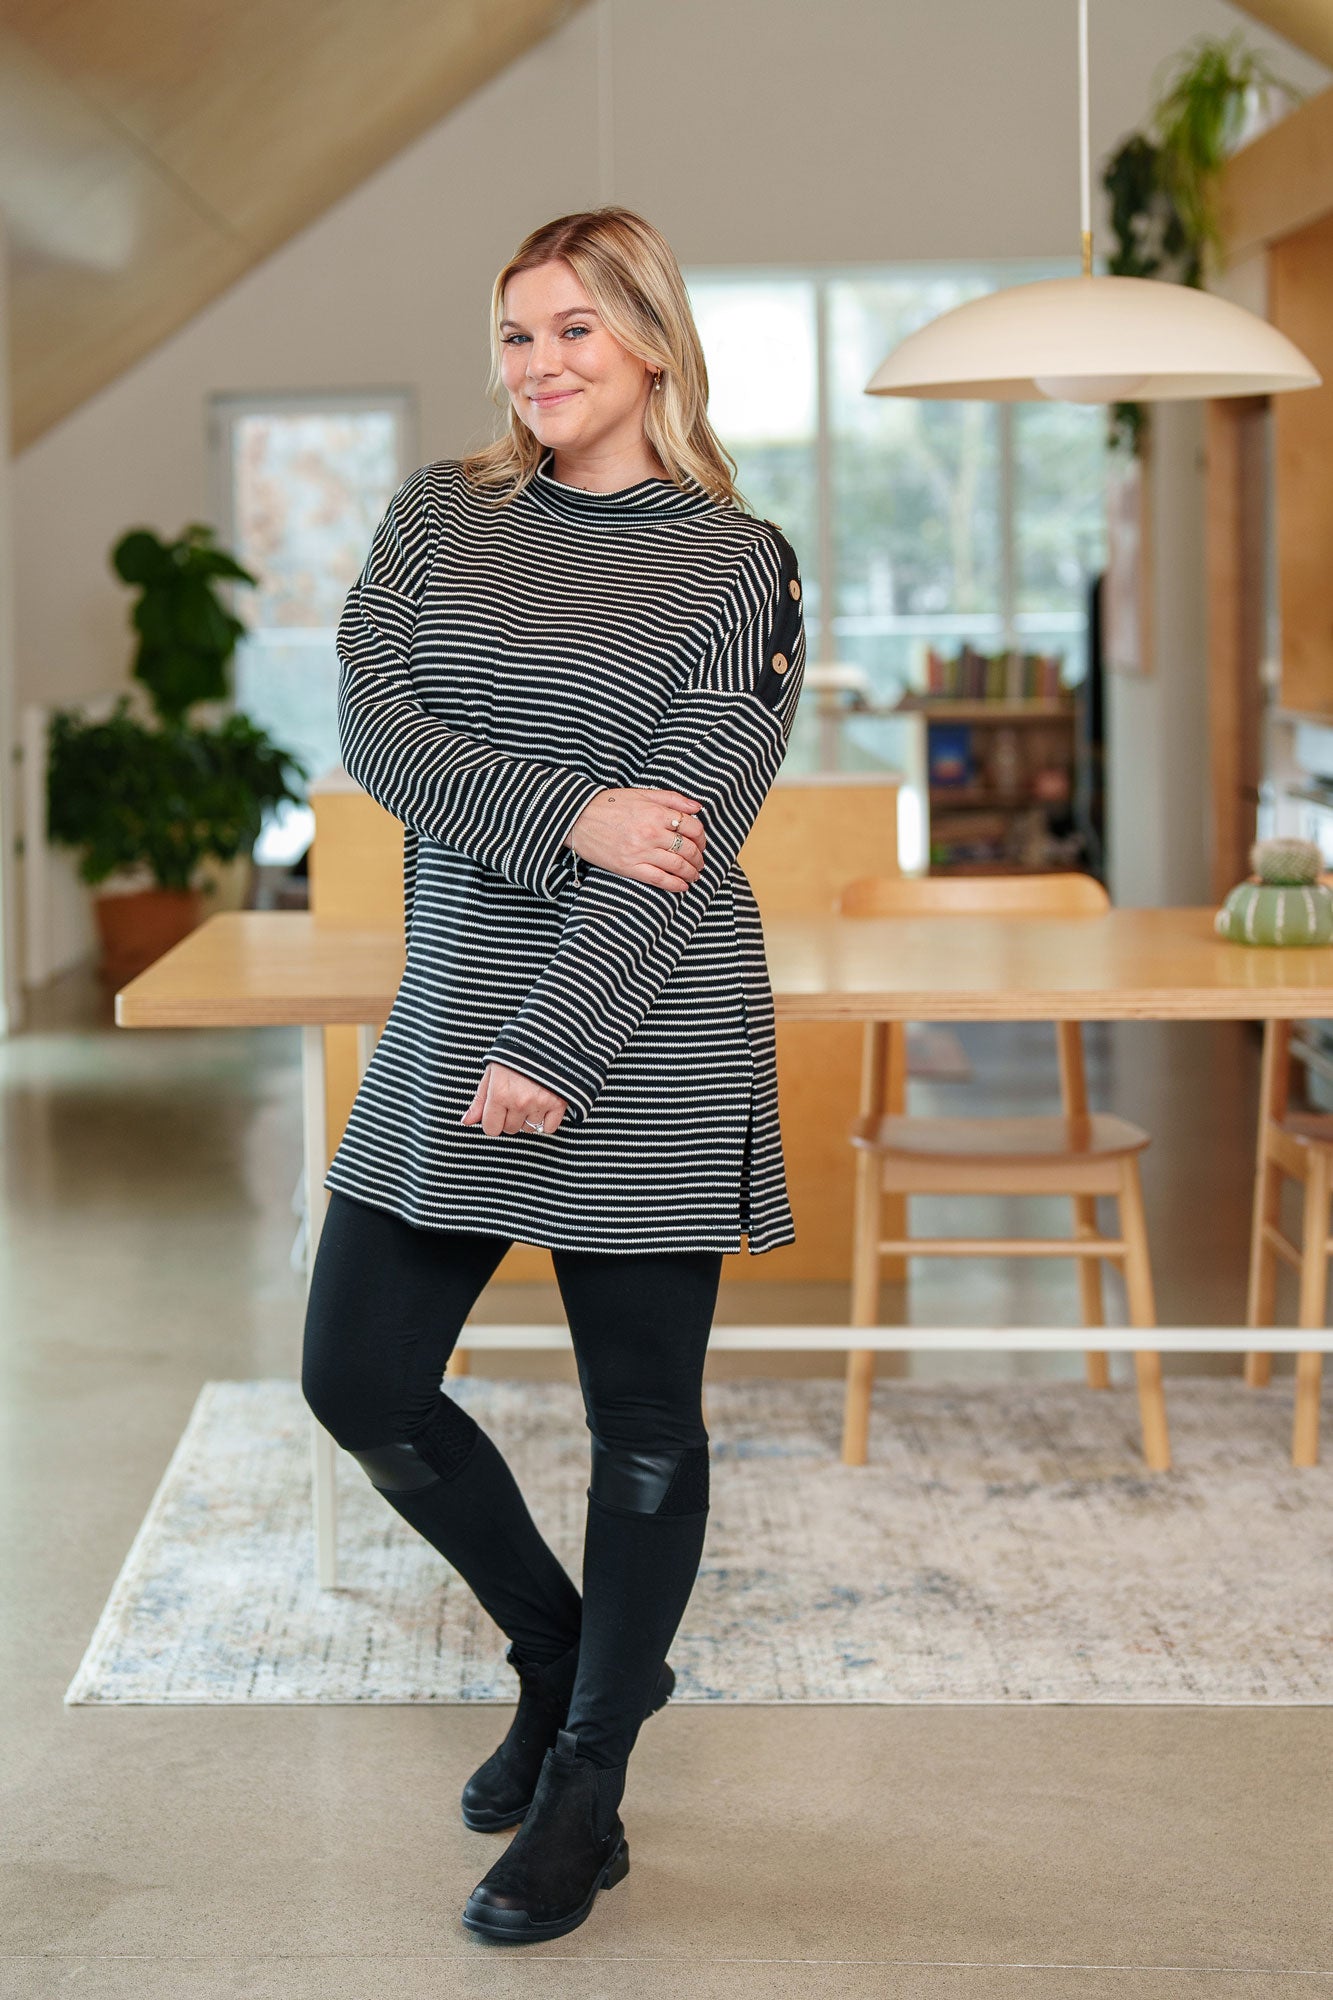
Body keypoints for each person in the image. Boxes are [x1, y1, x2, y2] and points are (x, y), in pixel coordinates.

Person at [300, 204, 806, 1946]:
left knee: (642, 1429)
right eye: (516, 335)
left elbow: (687, 836)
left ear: (650, 345)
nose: (538, 367)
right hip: (449, 1013)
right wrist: (563, 808)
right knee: (356, 1378)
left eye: (573, 332)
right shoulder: (443, 512)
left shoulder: (739, 565)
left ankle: (586, 1787)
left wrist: (554, 1045)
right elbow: (375, 734)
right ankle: (562, 1649)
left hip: (643, 1034)